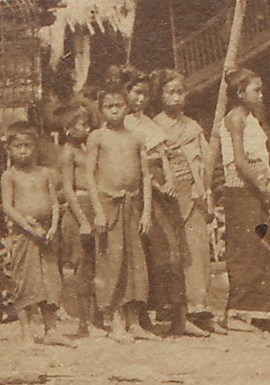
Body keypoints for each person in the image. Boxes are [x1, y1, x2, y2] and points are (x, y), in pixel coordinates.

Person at [119, 67, 207, 338]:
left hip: (161, 192)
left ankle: (180, 318)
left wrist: (167, 181)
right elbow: (136, 164)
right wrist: (156, 185)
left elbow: (162, 156)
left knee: (171, 251)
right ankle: (142, 318)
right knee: (143, 255)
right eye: (135, 93)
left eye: (145, 94)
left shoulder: (147, 122)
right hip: (141, 191)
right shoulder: (123, 125)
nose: (140, 99)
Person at [152, 69, 224, 335]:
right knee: (173, 254)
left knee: (197, 251)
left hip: (193, 192)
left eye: (180, 92)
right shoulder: (154, 126)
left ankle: (201, 309)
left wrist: (205, 190)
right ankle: (178, 312)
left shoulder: (192, 127)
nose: (176, 97)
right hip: (168, 194)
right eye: (170, 92)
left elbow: (205, 161)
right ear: (160, 96)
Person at [86, 87, 155, 343]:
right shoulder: (97, 137)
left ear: (128, 107)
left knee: (135, 263)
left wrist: (146, 211)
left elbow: (147, 175)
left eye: (119, 105)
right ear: (101, 109)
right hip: (108, 203)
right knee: (112, 262)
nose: (115, 110)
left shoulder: (137, 137)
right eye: (109, 106)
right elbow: (90, 176)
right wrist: (98, 211)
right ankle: (115, 321)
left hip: (133, 204)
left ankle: (134, 321)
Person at [219, 68, 270, 332]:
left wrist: (268, 183)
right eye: (256, 90)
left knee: (262, 247)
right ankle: (237, 313)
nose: (261, 94)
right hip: (242, 191)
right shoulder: (235, 119)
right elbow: (240, 162)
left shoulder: (252, 118)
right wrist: (262, 188)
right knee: (246, 247)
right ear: (240, 93)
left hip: (256, 190)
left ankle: (260, 312)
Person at [0, 120, 70, 347]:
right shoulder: (9, 176)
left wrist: (52, 228)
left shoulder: (45, 173)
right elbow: (8, 207)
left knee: (51, 282)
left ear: (36, 147)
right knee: (25, 283)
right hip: (24, 235)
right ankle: (27, 332)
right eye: (17, 146)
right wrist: (28, 227)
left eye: (27, 145)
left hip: (47, 236)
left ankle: (51, 330)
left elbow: (54, 203)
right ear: (9, 149)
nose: (23, 150)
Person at [59, 106, 101, 337]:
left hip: (95, 206)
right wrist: (83, 220)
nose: (83, 128)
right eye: (78, 125)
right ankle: (84, 323)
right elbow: (67, 188)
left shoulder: (89, 148)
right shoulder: (68, 152)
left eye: (86, 124)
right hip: (79, 210)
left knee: (95, 266)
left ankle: (96, 319)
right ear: (67, 128)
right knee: (83, 266)